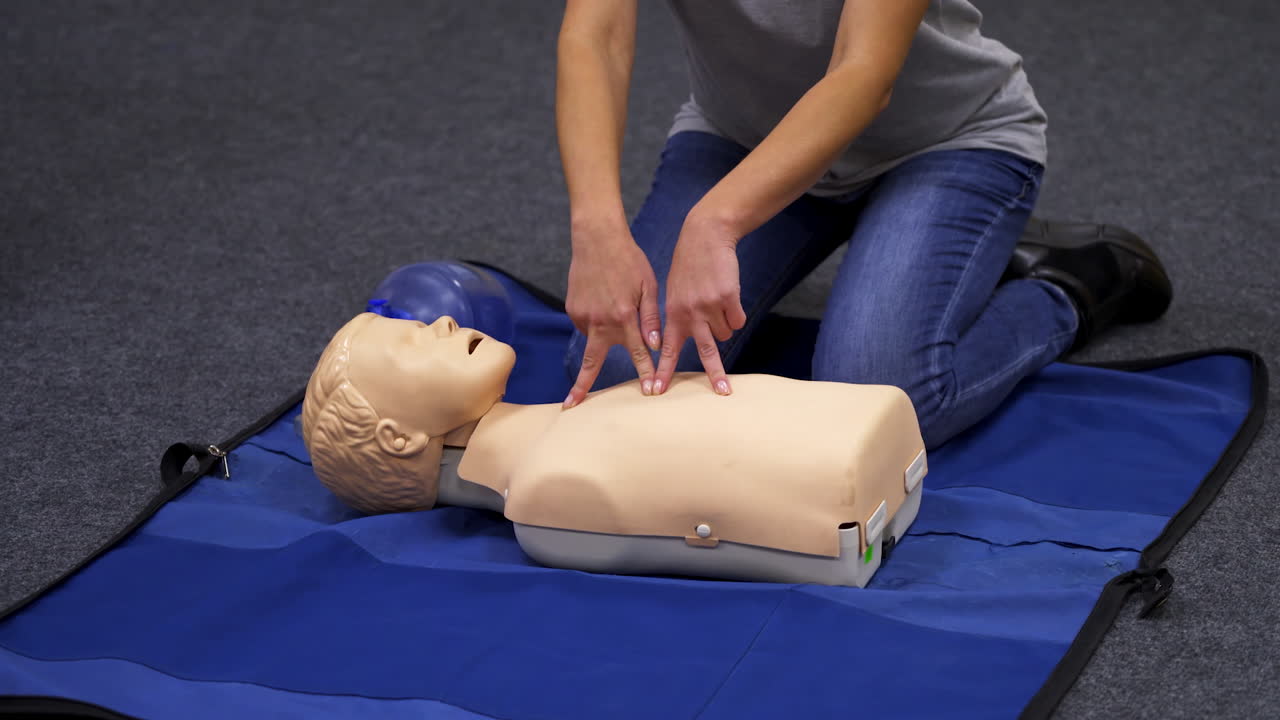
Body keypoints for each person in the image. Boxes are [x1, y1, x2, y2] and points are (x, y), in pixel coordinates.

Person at [557, 0, 1171, 448]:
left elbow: (863, 71)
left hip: (944, 142)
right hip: (748, 141)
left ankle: (1065, 288)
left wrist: (714, 222)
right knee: (620, 374)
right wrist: (597, 231)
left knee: (878, 403)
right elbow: (596, 37)